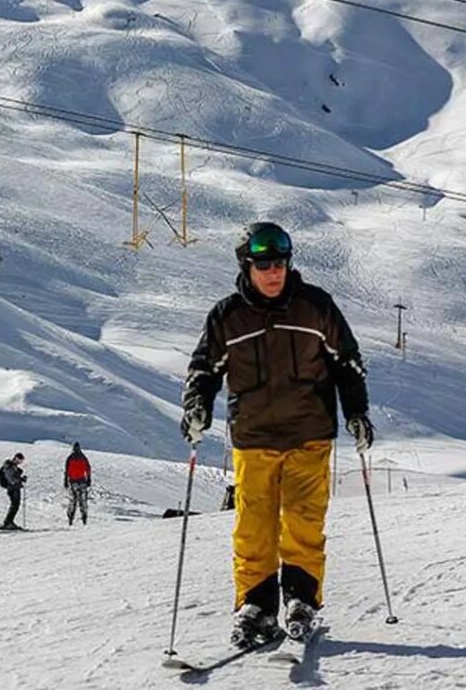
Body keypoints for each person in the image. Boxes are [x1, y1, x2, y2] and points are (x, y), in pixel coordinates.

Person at [181, 222, 373, 649]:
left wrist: (357, 412)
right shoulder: (227, 317)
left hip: (310, 434)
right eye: (263, 264)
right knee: (254, 525)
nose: (273, 272)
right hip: (254, 438)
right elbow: (203, 370)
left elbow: (348, 362)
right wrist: (196, 407)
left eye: (280, 263)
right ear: (246, 267)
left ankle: (301, 599)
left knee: (304, 521)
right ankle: (256, 605)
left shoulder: (315, 307)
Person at [64, 442, 91, 525]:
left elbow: (87, 468)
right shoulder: (79, 457)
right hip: (77, 481)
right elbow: (67, 470)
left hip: (77, 481)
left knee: (77, 501)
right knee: (78, 501)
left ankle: (82, 518)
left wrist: (89, 479)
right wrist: (88, 479)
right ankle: (74, 518)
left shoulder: (73, 458)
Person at [0, 453, 27, 530]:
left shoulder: (13, 467)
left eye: (21, 461)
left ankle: (9, 522)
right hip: (12, 488)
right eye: (18, 460)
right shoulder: (9, 467)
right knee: (14, 506)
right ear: (15, 458)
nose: (19, 462)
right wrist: (20, 479)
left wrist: (21, 478)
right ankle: (7, 523)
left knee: (15, 506)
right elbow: (11, 480)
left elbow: (13, 478)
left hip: (14, 488)